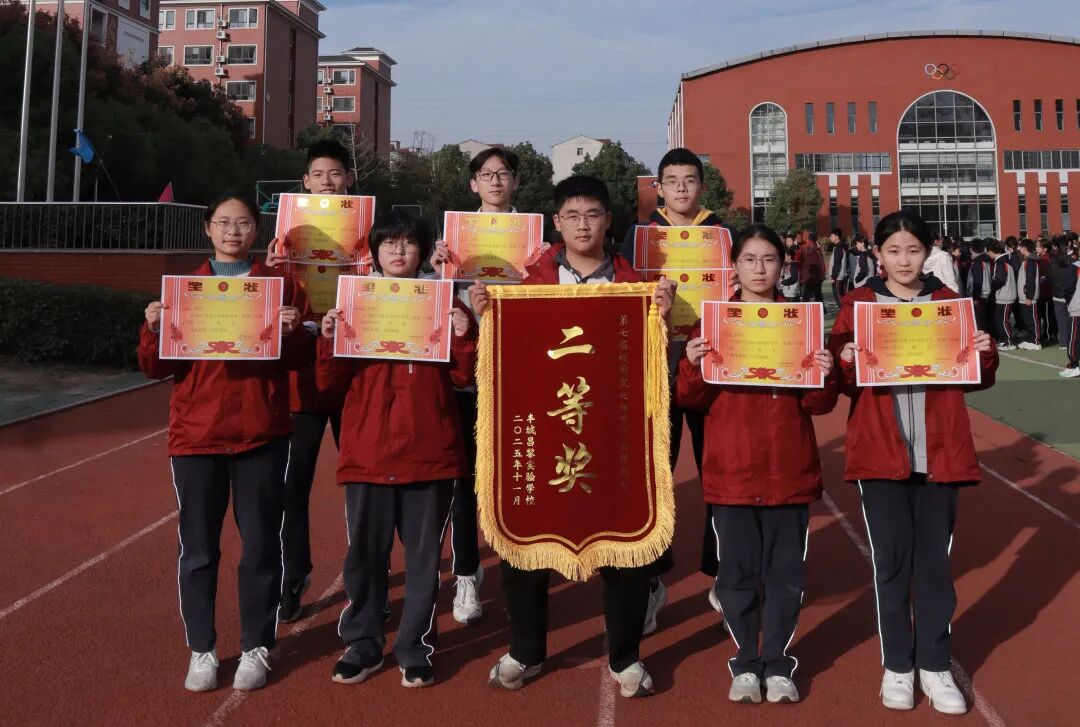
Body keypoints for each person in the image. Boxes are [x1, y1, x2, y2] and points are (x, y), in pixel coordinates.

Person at [470, 175, 675, 698]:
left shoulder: (636, 285)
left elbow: (651, 365)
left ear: (608, 221)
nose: (583, 225)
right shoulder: (528, 283)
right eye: (572, 215)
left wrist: (662, 315)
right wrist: (484, 314)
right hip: (545, 431)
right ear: (557, 223)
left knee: (624, 546)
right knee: (526, 543)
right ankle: (526, 650)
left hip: (610, 431)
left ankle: (626, 657)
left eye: (593, 214)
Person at [139, 194, 313, 692]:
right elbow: (155, 366)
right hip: (197, 435)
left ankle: (257, 645)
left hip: (261, 432)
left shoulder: (279, 285)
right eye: (223, 223)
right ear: (208, 230)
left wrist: (292, 333)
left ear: (256, 231)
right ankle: (202, 649)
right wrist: (152, 329)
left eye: (242, 223)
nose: (233, 231)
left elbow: (303, 357)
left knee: (260, 545)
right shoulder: (184, 289)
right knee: (197, 549)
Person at [828, 209, 997, 716]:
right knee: (892, 563)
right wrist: (845, 361)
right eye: (893, 250)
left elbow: (975, 376)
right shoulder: (858, 305)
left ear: (929, 253)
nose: (904, 260)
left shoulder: (950, 305)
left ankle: (935, 664)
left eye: (914, 250)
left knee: (934, 565)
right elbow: (841, 382)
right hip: (880, 453)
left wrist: (985, 352)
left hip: (939, 451)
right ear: (877, 254)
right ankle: (898, 666)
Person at [318, 210, 478, 688]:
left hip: (428, 450)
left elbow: (462, 377)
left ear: (423, 251)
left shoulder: (443, 301)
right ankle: (363, 643)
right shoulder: (354, 302)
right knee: (365, 558)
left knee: (424, 561)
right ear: (374, 251)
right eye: (388, 243)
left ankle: (415, 647)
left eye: (408, 243)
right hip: (368, 450)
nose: (398, 250)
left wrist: (463, 336)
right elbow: (328, 384)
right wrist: (329, 340)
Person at [678, 224, 836, 705]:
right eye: (750, 259)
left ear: (783, 266)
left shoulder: (801, 321)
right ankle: (746, 660)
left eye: (769, 259)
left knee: (786, 575)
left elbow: (818, 405)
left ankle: (778, 662)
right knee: (736, 575)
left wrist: (824, 374)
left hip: (788, 467)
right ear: (735, 267)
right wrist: (692, 365)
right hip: (733, 469)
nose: (760, 268)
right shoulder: (713, 323)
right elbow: (690, 398)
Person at [618, 147, 739, 627]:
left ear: (702, 187)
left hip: (711, 362)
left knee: (720, 471)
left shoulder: (723, 235)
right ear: (659, 188)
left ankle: (723, 572)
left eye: (690, 180)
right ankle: (652, 578)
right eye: (672, 181)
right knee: (655, 474)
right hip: (657, 364)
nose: (682, 188)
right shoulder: (639, 237)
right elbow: (621, 293)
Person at [429, 147, 527, 626]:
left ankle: (524, 568)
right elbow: (429, 307)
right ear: (473, 184)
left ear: (515, 182)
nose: (495, 181)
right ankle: (467, 571)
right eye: (486, 175)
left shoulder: (533, 240)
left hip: (518, 372)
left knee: (518, 475)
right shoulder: (452, 241)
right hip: (466, 376)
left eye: (503, 174)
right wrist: (436, 271)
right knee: (464, 480)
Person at [270, 139, 355, 623]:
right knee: (292, 484)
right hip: (302, 377)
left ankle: (366, 573)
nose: (327, 181)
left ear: (348, 180)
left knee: (363, 481)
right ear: (305, 182)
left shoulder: (365, 233)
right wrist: (271, 273)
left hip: (350, 372)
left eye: (335, 173)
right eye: (318, 174)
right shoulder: (286, 238)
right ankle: (293, 574)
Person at [987, 239, 1018, 350]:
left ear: (991, 252)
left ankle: (1009, 342)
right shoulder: (1006, 260)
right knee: (1001, 320)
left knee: (1003, 320)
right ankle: (1004, 340)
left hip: (1005, 296)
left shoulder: (1000, 262)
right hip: (1006, 295)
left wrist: (992, 287)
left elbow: (1000, 279)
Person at [1050, 238, 1077, 354]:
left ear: (1056, 247)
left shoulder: (1054, 260)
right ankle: (1071, 341)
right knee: (1072, 320)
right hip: (1071, 294)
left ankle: (1063, 343)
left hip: (1058, 294)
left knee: (1061, 320)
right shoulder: (1074, 260)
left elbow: (1049, 277)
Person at [1016, 240, 1043, 350]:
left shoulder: (1030, 262)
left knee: (1032, 319)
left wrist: (1029, 297)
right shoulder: (1026, 261)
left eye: (1020, 247)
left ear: (1024, 248)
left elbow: (1030, 280)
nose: (1019, 249)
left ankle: (1036, 341)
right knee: (1027, 320)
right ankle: (1030, 339)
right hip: (1025, 296)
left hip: (1029, 297)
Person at [1058, 244, 1080, 379]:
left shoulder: (1075, 267)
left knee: (1074, 338)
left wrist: (1071, 302)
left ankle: (1074, 365)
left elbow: (1068, 288)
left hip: (1077, 308)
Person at [968, 240, 992, 333]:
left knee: (979, 320)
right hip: (986, 292)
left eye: (971, 252)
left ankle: (982, 336)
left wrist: (975, 297)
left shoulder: (977, 262)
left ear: (973, 250)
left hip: (980, 295)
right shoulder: (986, 260)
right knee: (984, 318)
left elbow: (977, 282)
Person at [795, 232, 825, 303]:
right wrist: (823, 275)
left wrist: (800, 276)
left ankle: (805, 309)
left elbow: (797, 261)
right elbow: (821, 263)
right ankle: (821, 308)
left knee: (805, 296)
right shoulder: (817, 249)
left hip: (806, 277)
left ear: (807, 239)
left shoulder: (802, 249)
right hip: (817, 276)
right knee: (818, 296)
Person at [828, 229, 848, 308]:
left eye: (831, 236)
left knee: (838, 297)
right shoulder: (843, 246)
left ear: (837, 237)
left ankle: (846, 312)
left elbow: (837, 264)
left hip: (838, 277)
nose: (830, 237)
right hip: (841, 275)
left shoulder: (838, 248)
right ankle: (846, 312)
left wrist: (833, 276)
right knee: (841, 296)